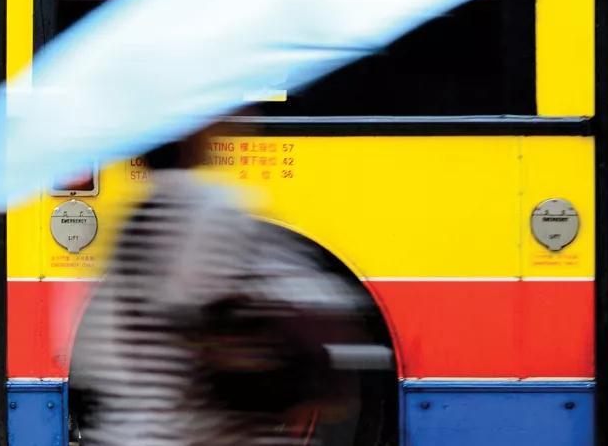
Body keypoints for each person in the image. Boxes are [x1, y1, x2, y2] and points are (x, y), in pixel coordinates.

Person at [69, 120, 377, 445]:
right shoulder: (215, 210)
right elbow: (310, 313)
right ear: (192, 135)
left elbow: (93, 357)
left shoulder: (129, 226)